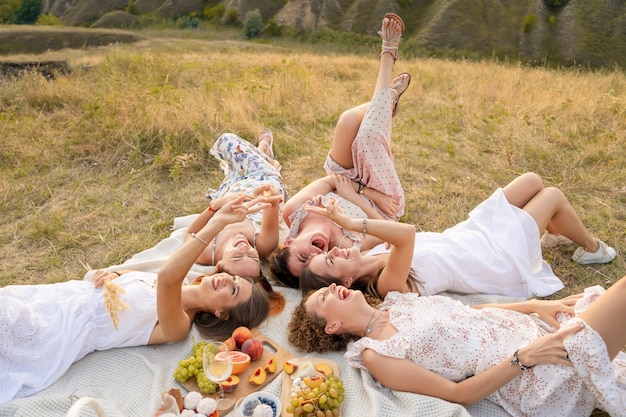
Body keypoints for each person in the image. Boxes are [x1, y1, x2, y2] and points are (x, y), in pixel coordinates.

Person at [0, 196, 282, 406]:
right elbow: (165, 259)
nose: (225, 280)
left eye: (232, 291)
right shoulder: (179, 277)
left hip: (58, 332)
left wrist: (217, 224)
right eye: (233, 279)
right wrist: (112, 274)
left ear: (221, 313)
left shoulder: (178, 326)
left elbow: (170, 275)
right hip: (58, 297)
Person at [289, 277, 626, 416]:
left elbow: (468, 311)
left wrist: (534, 305)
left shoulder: (398, 301)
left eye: (328, 286)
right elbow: (456, 394)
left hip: (531, 328)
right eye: (324, 296)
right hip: (536, 370)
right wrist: (524, 357)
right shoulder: (376, 354)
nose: (333, 286)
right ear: (331, 326)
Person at [299, 172, 616, 299]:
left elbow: (381, 219)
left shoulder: (363, 256)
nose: (335, 251)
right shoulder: (386, 285)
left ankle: (552, 227)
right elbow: (406, 234)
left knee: (533, 181)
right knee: (553, 196)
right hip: (493, 260)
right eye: (329, 260)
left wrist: (344, 199)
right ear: (343, 284)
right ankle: (591, 248)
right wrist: (351, 225)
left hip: (466, 236)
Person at [268, 13, 411, 288]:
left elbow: (331, 180)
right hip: (383, 199)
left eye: (302, 256)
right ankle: (387, 56)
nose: (315, 256)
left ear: (289, 241)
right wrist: (365, 197)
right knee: (368, 137)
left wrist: (354, 191)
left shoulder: (295, 211)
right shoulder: (350, 246)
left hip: (347, 178)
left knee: (347, 119)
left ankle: (385, 105)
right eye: (314, 266)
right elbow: (385, 228)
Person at [185, 128, 287, 284]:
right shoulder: (264, 246)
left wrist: (216, 205)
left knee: (229, 147)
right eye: (253, 256)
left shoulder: (205, 253)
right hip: (262, 181)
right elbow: (272, 203)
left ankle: (264, 156)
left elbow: (191, 232)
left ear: (219, 267)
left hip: (230, 189)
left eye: (237, 256)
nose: (245, 249)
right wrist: (268, 194)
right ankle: (266, 155)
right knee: (230, 143)